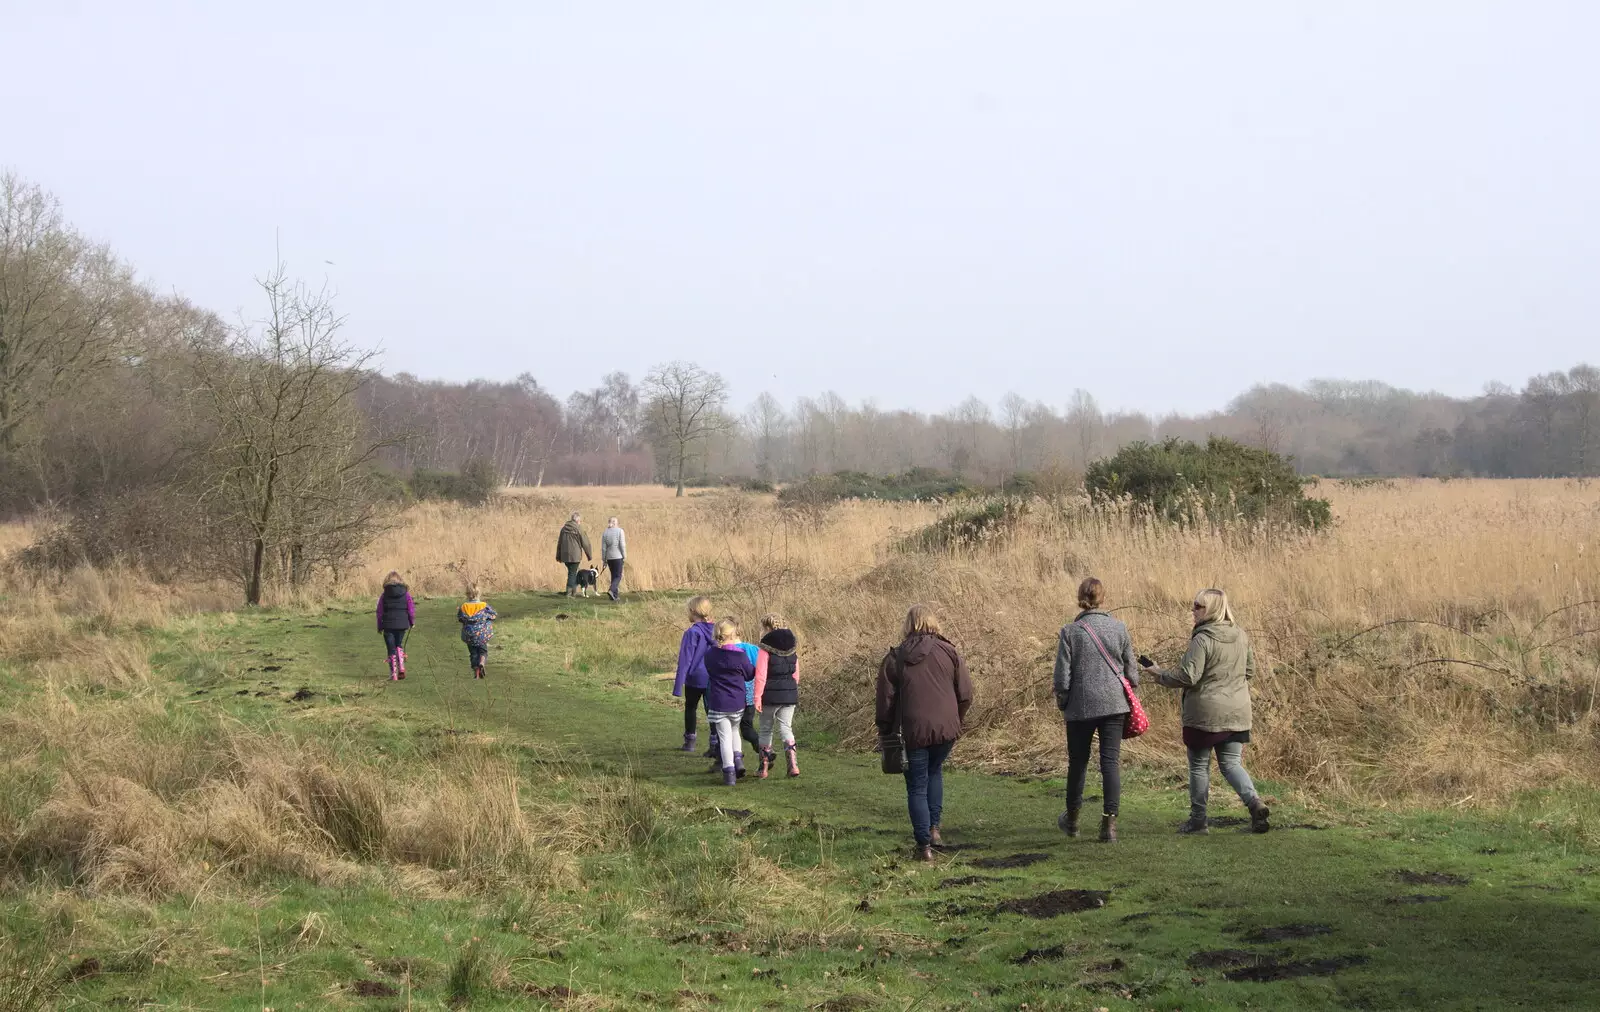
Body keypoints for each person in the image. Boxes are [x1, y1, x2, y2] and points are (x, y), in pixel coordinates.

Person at [1141, 588, 1271, 835]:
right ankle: (1255, 804)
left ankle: (1198, 821)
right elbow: (1249, 671)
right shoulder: (1241, 635)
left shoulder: (1202, 639)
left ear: (1210, 609)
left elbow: (1188, 675)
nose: (1193, 610)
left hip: (1204, 714)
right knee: (1231, 764)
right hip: (1238, 711)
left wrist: (1159, 674)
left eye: (1198, 606)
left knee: (1199, 765)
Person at [875, 604, 974, 862]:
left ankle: (923, 847)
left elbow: (885, 702)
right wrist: (956, 721)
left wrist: (885, 731)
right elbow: (966, 694)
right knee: (934, 772)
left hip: (912, 731)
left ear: (908, 625)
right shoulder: (950, 652)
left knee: (916, 785)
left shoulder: (895, 658)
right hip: (946, 730)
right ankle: (934, 830)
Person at [1053, 577, 1141, 843]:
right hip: (1114, 704)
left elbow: (1061, 677)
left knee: (1078, 763)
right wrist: (1129, 694)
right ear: (1103, 598)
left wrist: (1063, 701)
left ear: (1080, 597)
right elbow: (1132, 672)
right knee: (1110, 763)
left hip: (1080, 705)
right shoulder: (1119, 628)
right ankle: (1109, 826)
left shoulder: (1071, 631)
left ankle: (1072, 820)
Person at [702, 617, 756, 786]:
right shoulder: (740, 656)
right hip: (737, 702)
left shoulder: (710, 654)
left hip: (718, 702)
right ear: (733, 635)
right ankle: (738, 759)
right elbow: (749, 674)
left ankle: (729, 771)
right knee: (734, 732)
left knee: (724, 737)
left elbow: (709, 670)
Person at [753, 614, 800, 779]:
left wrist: (757, 697)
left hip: (770, 694)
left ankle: (763, 767)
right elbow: (796, 673)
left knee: (766, 729)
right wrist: (792, 689)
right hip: (789, 693)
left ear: (767, 628)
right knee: (786, 728)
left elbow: (760, 675)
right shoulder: (792, 646)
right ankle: (793, 765)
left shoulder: (765, 648)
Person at [671, 596, 717, 752]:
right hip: (714, 676)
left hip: (695, 677)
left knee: (691, 707)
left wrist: (678, 685)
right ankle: (714, 743)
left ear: (693, 611)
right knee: (712, 710)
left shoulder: (692, 633)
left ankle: (690, 741)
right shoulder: (717, 630)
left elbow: (685, 659)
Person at [376, 571, 415, 681]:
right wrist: (412, 622)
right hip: (402, 624)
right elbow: (411, 609)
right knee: (399, 644)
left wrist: (379, 626)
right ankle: (401, 667)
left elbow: (379, 612)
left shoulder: (384, 595)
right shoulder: (406, 594)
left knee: (390, 648)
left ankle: (393, 674)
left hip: (388, 624)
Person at [457, 584, 498, 679]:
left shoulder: (464, 606)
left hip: (469, 635)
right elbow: (493, 615)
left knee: (473, 653)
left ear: (467, 594)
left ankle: (476, 671)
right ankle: (482, 663)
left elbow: (460, 618)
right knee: (483, 651)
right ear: (479, 593)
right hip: (482, 635)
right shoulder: (483, 605)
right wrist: (487, 618)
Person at [555, 512, 593, 597]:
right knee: (572, 573)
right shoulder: (578, 529)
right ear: (578, 520)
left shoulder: (564, 529)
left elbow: (559, 543)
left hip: (565, 556)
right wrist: (589, 555)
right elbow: (586, 543)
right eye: (580, 521)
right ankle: (569, 594)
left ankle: (573, 593)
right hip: (575, 556)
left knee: (572, 572)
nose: (580, 522)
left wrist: (558, 556)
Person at [600, 517, 627, 601]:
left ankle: (614, 596)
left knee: (613, 576)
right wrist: (624, 555)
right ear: (615, 523)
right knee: (618, 576)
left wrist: (604, 560)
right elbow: (622, 545)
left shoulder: (605, 532)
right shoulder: (620, 531)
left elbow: (604, 548)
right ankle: (611, 590)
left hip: (609, 558)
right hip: (618, 557)